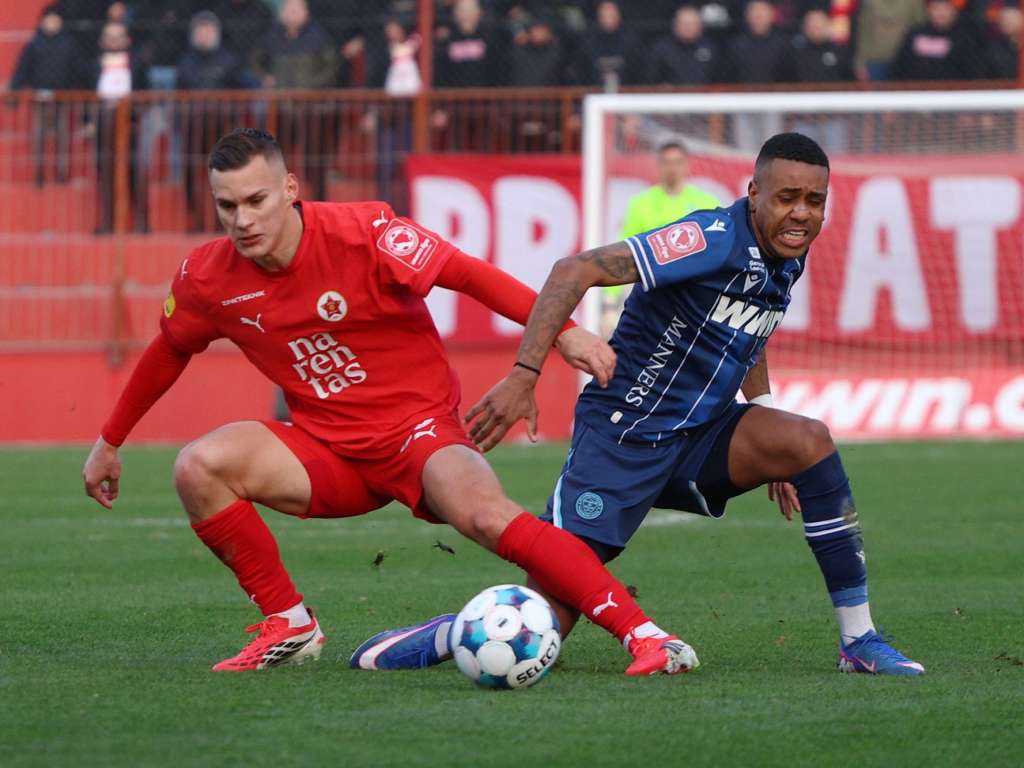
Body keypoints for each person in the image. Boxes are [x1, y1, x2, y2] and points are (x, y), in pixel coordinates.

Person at [81, 128, 695, 676]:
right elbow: (169, 349)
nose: (242, 220)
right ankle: (289, 623)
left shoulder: (366, 232)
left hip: (418, 433)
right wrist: (110, 441)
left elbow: (468, 273)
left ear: (290, 189)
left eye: (256, 200)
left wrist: (564, 333)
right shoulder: (206, 278)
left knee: (486, 517)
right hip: (327, 451)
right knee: (198, 466)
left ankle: (647, 636)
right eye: (227, 206)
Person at [350, 133, 925, 677]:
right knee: (545, 619)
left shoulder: (786, 252)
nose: (800, 213)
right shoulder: (709, 239)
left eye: (814, 202)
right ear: (754, 193)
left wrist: (767, 414)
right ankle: (447, 635)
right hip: (624, 438)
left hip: (700, 435)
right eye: (787, 198)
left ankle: (859, 642)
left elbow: (751, 327)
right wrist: (526, 373)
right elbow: (573, 270)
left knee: (807, 440)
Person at [9, 4, 78, 187]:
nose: (52, 23)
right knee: (38, 135)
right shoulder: (34, 44)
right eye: (48, 19)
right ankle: (39, 172)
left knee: (63, 136)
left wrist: (72, 91)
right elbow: (22, 70)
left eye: (55, 20)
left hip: (62, 98)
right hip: (40, 97)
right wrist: (14, 93)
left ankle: (62, 172)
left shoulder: (69, 44)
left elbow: (76, 71)